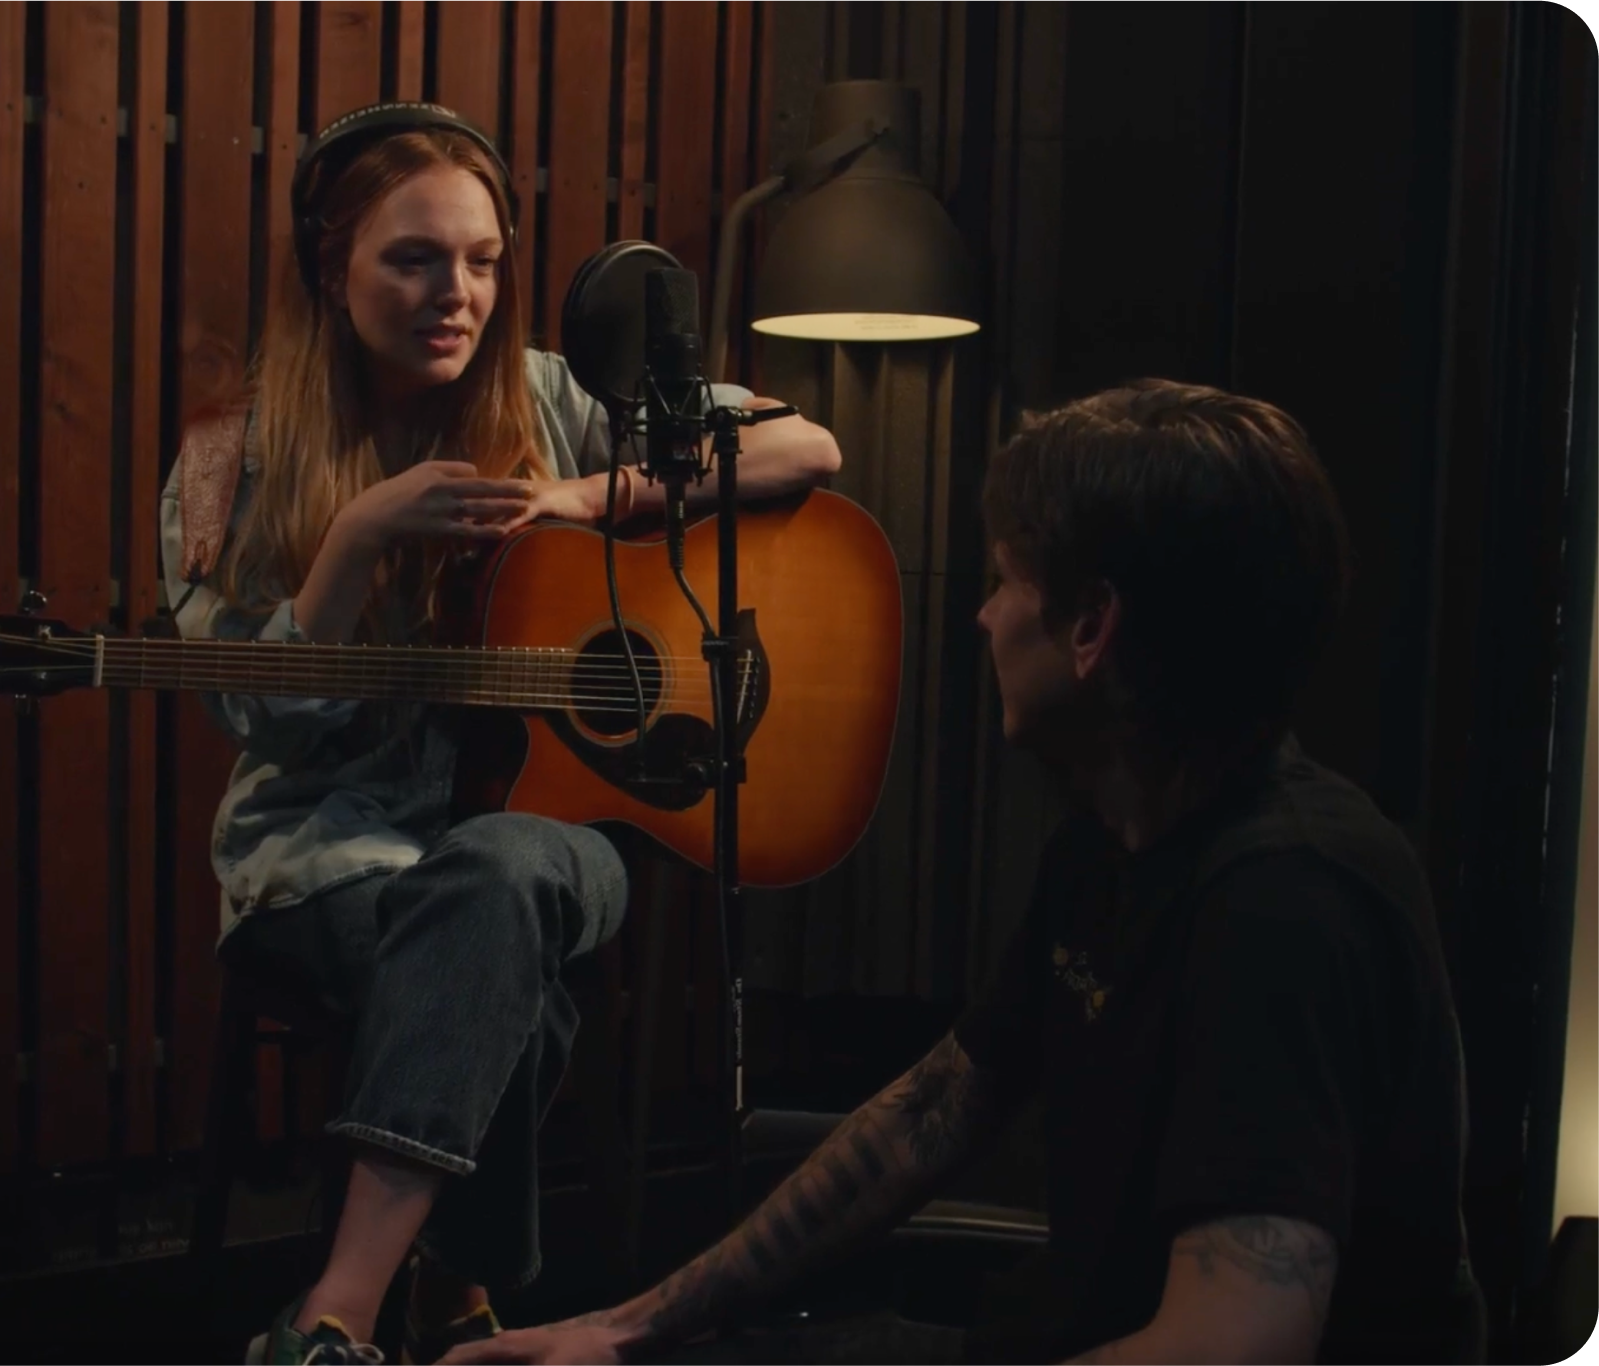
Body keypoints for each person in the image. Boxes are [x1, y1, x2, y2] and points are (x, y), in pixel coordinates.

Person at [441, 381, 1485, 1366]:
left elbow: (1227, 1345)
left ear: (1090, 627)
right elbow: (932, 1113)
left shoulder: (1284, 902)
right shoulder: (1113, 836)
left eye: (1002, 580)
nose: (982, 617)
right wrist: (626, 1331)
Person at [157, 102, 841, 1366]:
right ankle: (440, 1296)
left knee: (507, 869)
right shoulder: (230, 455)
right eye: (413, 258)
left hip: (548, 838)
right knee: (497, 965)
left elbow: (807, 443)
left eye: (480, 261)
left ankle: (331, 1315)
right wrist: (357, 534)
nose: (455, 293)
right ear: (331, 264)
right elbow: (252, 717)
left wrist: (591, 492)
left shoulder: (551, 398)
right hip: (324, 859)